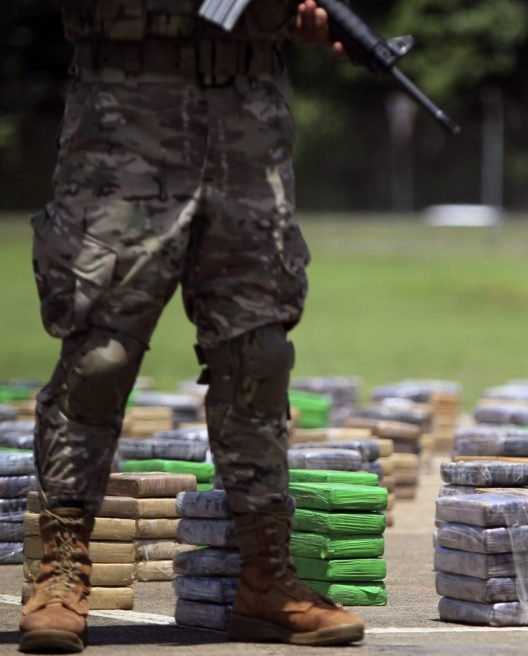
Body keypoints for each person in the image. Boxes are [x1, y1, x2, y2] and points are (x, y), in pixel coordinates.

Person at [21, 1, 363, 651]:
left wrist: (305, 17)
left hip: (246, 113)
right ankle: (60, 571)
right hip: (125, 111)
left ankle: (267, 577)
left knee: (258, 349)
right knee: (102, 350)